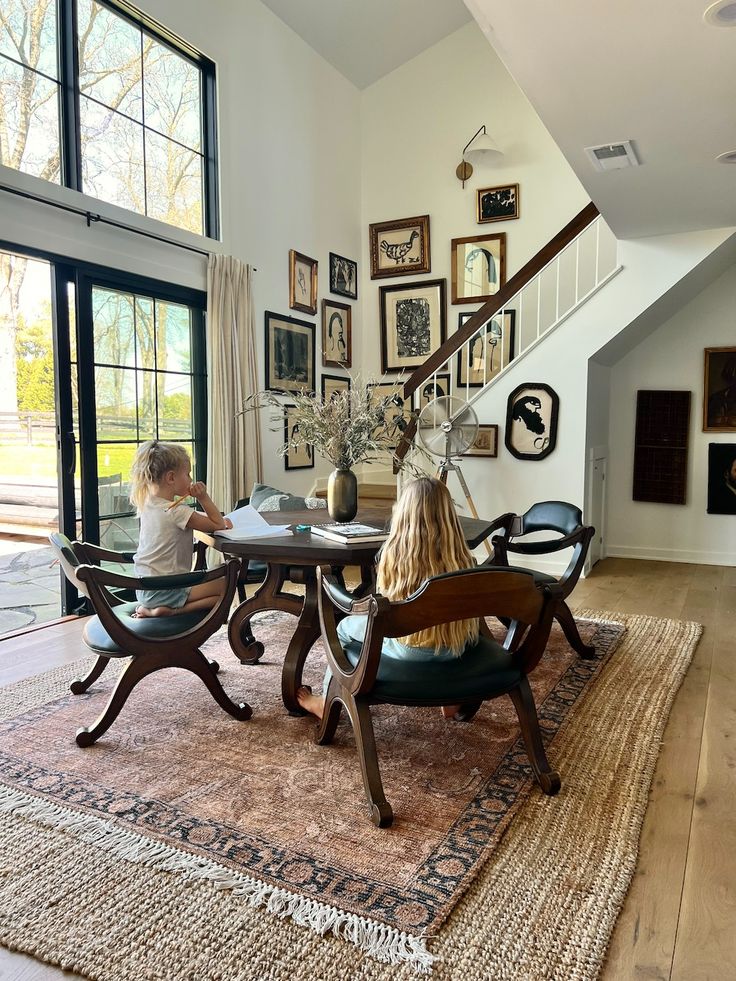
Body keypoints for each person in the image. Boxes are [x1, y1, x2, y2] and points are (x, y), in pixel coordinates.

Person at [297, 476, 479, 720]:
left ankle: (327, 702)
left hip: (408, 650)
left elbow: (386, 604)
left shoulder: (394, 557)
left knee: (342, 629)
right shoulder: (463, 559)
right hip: (453, 648)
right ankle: (451, 698)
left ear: (403, 516)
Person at [129, 440, 233, 618]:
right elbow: (218, 525)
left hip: (145, 588)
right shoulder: (176, 511)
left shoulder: (149, 502)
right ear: (170, 478)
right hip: (167, 589)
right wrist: (203, 497)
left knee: (217, 589)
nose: (191, 480)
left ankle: (160, 608)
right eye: (188, 474)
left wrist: (214, 518)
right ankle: (171, 611)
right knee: (226, 585)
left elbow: (199, 519)